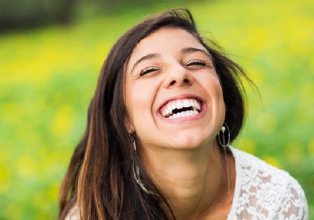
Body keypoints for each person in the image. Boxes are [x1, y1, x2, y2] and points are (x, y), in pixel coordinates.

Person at [59, 8, 308, 220]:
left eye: (196, 62)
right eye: (149, 70)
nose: (180, 74)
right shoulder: (93, 213)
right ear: (124, 119)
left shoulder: (276, 199)